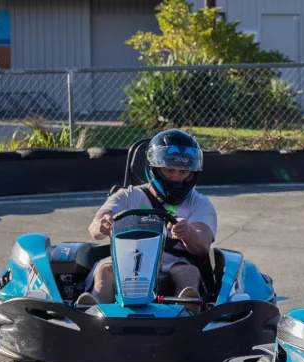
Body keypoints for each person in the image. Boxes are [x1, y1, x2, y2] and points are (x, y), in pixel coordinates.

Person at [75, 129, 217, 313]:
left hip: (172, 261)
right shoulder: (128, 196)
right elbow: (94, 228)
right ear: (154, 168)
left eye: (183, 171)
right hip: (124, 260)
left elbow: (202, 245)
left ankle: (186, 308)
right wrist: (103, 224)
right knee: (104, 270)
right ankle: (94, 308)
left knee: (189, 272)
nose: (176, 177)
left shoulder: (199, 203)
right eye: (170, 170)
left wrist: (187, 233)